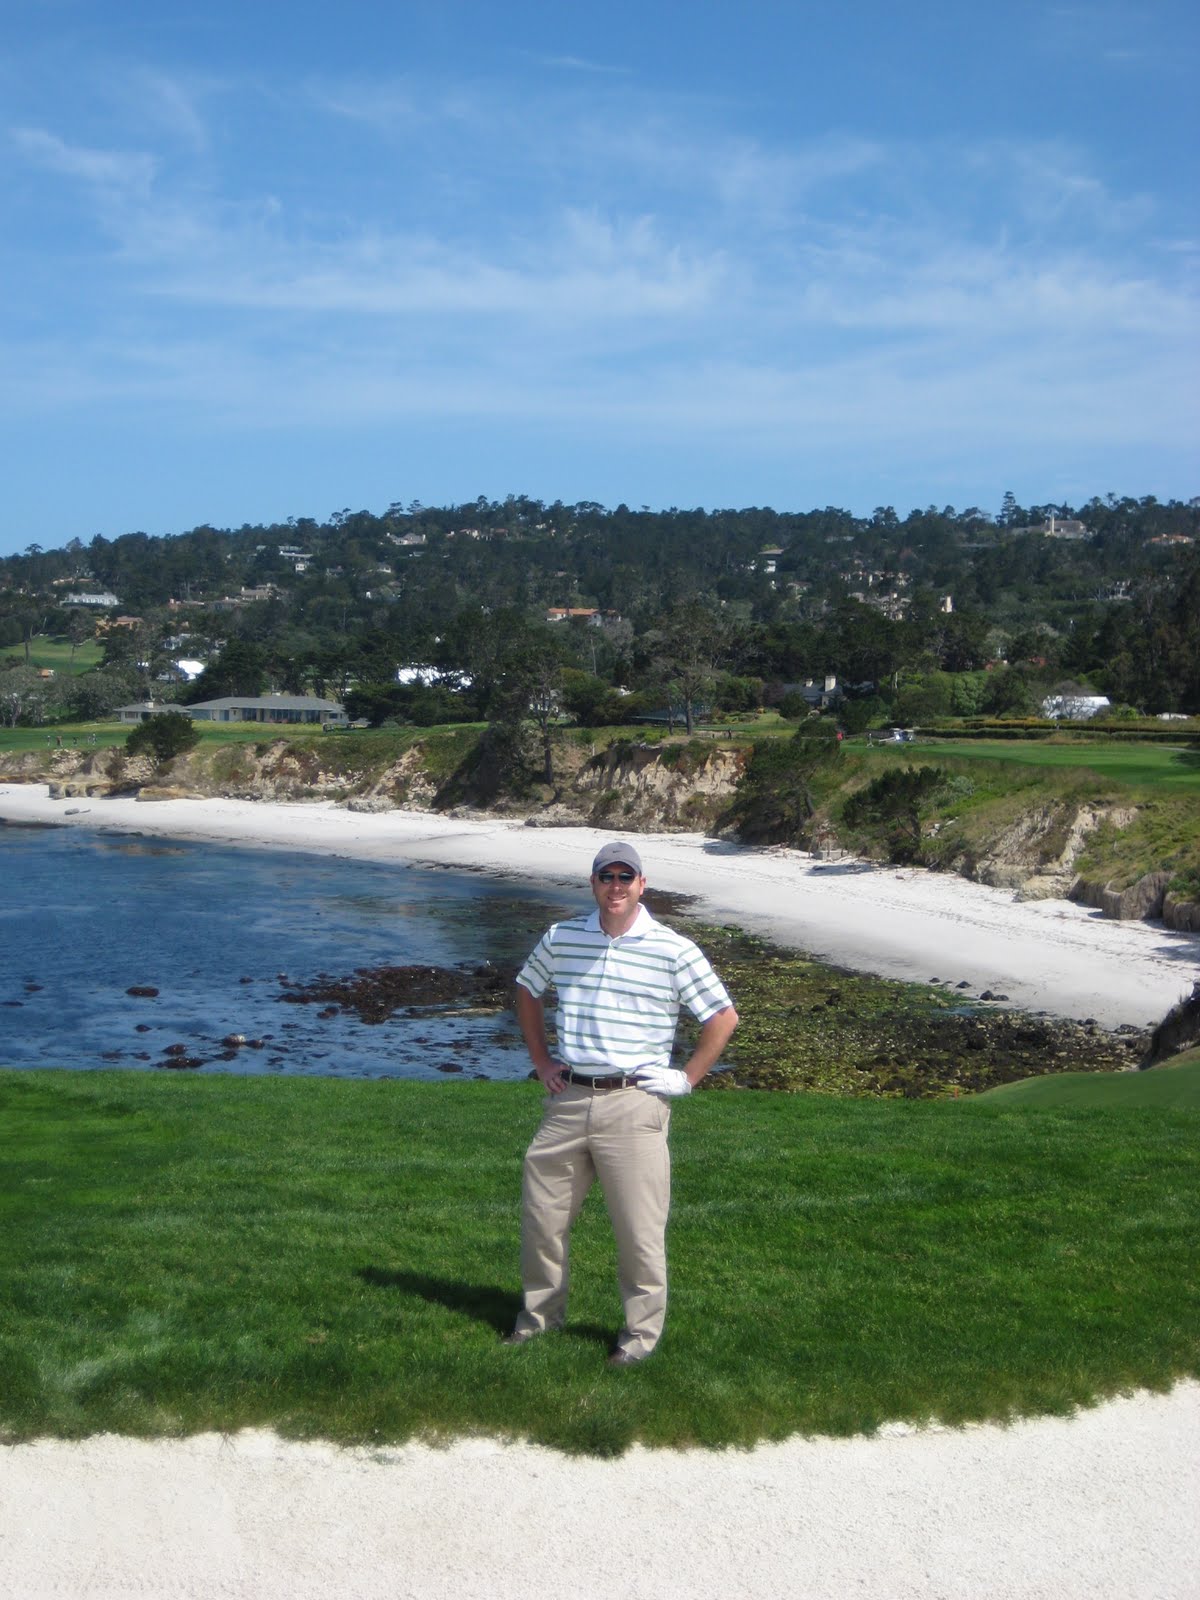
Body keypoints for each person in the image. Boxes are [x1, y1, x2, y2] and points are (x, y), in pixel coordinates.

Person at [506, 840, 738, 1367]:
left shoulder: (673, 949)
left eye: (624, 877)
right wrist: (542, 1060)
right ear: (593, 884)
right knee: (542, 1221)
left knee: (639, 1232)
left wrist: (687, 1078)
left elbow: (722, 1016)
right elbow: (527, 990)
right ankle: (539, 1320)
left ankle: (638, 1339)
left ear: (641, 885)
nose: (615, 886)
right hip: (569, 1098)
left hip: (635, 1104)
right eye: (606, 877)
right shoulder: (561, 937)